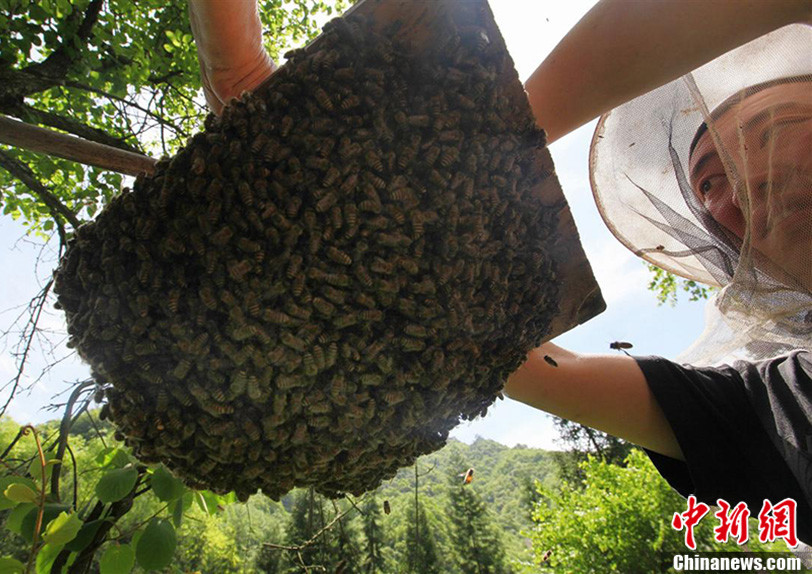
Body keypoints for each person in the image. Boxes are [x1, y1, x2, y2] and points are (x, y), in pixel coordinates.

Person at [187, 0, 811, 545]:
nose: (745, 187)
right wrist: (236, 74)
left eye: (772, 134)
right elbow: (497, 352)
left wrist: (465, 144)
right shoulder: (766, 416)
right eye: (708, 183)